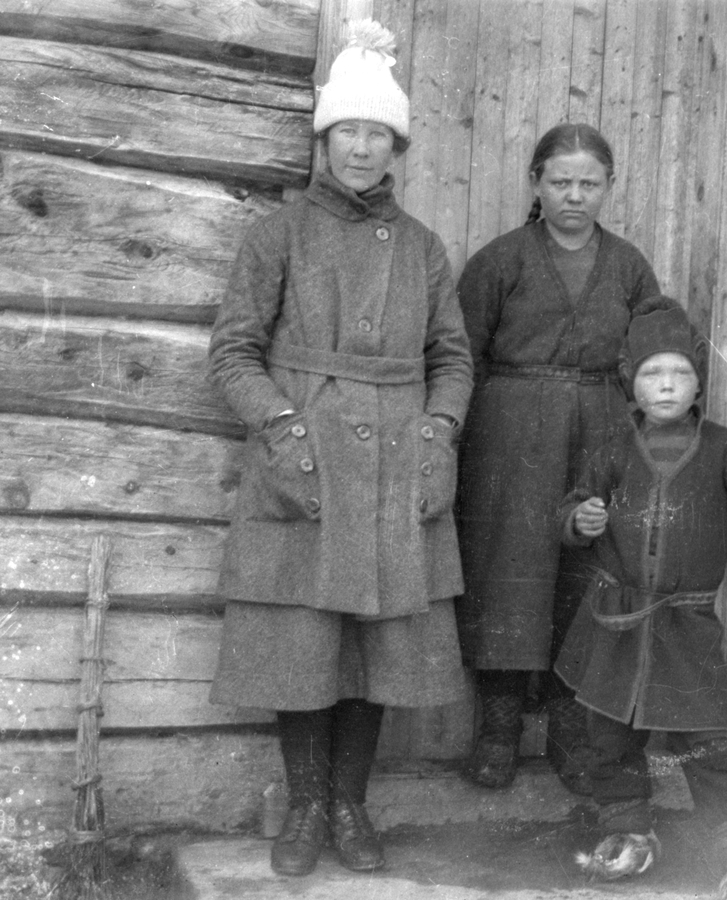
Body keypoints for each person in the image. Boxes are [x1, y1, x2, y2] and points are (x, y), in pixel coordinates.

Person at [207, 21, 473, 878]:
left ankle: (352, 805)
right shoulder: (278, 234)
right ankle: (307, 806)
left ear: (397, 147)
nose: (362, 149)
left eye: (378, 135)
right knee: (304, 643)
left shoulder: (423, 247)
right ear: (324, 141)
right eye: (348, 131)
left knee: (376, 646)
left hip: (397, 462)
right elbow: (233, 352)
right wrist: (282, 428)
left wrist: (439, 432)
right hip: (306, 456)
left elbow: (452, 359)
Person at [554, 305, 727, 898]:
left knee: (707, 743)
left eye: (680, 372)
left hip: (687, 626)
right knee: (608, 735)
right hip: (616, 623)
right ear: (631, 382)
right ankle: (628, 834)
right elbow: (570, 507)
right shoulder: (613, 449)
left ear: (700, 382)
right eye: (652, 373)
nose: (667, 385)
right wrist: (580, 518)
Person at [454, 123, 664, 793]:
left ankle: (570, 734)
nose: (575, 195)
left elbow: (656, 354)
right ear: (536, 183)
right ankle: (498, 730)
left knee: (586, 574)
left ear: (609, 187)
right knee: (506, 573)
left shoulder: (628, 266)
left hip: (601, 431)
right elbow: (462, 356)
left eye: (589, 183)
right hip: (510, 436)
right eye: (561, 182)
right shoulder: (499, 261)